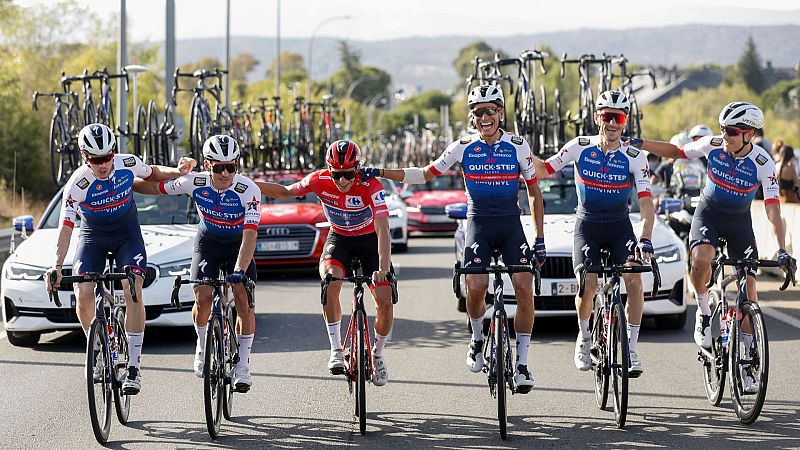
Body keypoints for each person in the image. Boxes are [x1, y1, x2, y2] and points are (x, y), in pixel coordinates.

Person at [360, 84, 545, 393]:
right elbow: (424, 174)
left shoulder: (518, 145)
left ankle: (523, 364)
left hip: (510, 225)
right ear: (472, 117)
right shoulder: (462, 146)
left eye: (490, 111)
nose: (484, 117)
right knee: (477, 285)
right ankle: (477, 338)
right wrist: (380, 171)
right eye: (478, 112)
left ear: (500, 113)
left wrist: (539, 238)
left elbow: (534, 192)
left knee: (525, 287)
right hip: (479, 224)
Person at [631, 101, 797, 393]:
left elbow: (773, 208)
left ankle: (748, 363)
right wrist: (641, 143)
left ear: (748, 134)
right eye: (723, 129)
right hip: (708, 214)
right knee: (702, 259)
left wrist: (782, 249)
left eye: (731, 131)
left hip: (739, 223)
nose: (725, 136)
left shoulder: (763, 162)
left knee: (749, 290)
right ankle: (705, 311)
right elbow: (677, 151)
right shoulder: (712, 145)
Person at [45, 123, 195, 395]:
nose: (103, 165)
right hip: (93, 237)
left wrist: (178, 171)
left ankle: (134, 366)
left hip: (127, 235)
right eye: (95, 160)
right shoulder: (77, 184)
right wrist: (56, 266)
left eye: (106, 157)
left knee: (133, 287)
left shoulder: (127, 163)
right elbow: (65, 226)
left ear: (113, 152)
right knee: (83, 292)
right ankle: (98, 347)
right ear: (84, 157)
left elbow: (152, 172)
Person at [533, 90, 655, 378]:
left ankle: (631, 350)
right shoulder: (579, 146)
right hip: (587, 226)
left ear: (625, 122)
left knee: (634, 281)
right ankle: (585, 337)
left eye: (618, 118)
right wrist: (522, 150)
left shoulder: (635, 157)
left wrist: (645, 237)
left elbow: (646, 202)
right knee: (588, 284)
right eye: (607, 116)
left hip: (619, 227)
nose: (612, 123)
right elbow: (545, 169)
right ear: (597, 117)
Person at [256, 140, 396, 386]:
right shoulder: (318, 180)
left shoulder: (371, 185)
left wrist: (383, 269)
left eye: (348, 174)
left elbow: (383, 230)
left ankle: (378, 354)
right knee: (329, 281)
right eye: (337, 174)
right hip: (339, 238)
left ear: (358, 169)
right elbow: (286, 192)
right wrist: (245, 183)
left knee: (384, 300)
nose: (342, 180)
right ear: (328, 170)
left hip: (369, 241)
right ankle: (336, 349)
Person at [134, 135, 260, 391]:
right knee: (202, 297)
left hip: (238, 245)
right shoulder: (193, 182)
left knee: (243, 299)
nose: (225, 174)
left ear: (237, 165)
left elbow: (250, 236)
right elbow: (154, 188)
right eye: (218, 167)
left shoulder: (248, 190)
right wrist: (126, 183)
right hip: (208, 243)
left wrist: (239, 270)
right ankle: (202, 344)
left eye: (231, 167)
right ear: (207, 165)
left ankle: (243, 364)